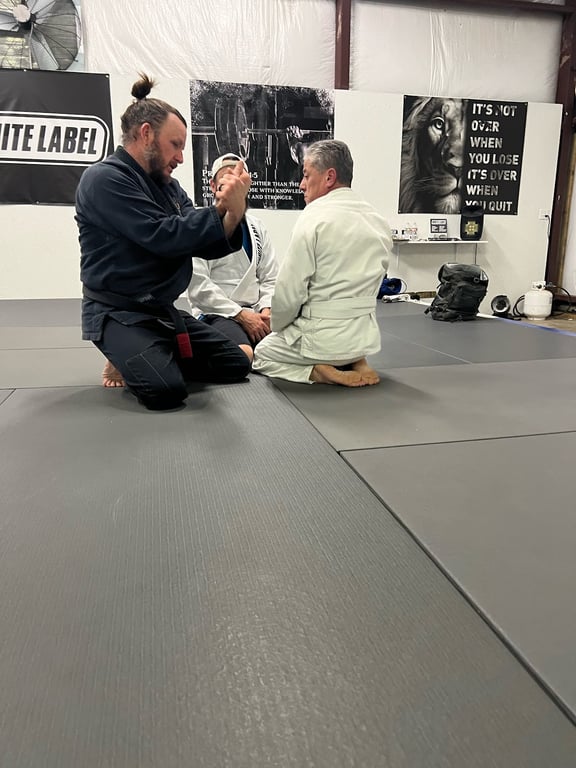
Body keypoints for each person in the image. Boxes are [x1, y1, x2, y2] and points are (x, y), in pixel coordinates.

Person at [76, 74, 252, 410]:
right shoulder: (104, 179)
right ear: (146, 134)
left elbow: (199, 239)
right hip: (118, 312)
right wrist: (220, 207)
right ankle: (124, 353)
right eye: (176, 145)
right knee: (165, 390)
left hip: (161, 312)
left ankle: (146, 352)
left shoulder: (169, 187)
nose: (181, 157)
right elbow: (162, 235)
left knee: (236, 364)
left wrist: (234, 210)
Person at [252, 139, 392, 387]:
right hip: (363, 339)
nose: (301, 184)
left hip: (322, 342)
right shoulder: (378, 220)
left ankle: (316, 372)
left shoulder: (313, 218)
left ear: (329, 177)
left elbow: (289, 291)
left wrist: (277, 324)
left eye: (306, 175)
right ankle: (356, 361)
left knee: (261, 355)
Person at [187, 153, 279, 362]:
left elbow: (270, 278)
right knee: (243, 355)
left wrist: (267, 310)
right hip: (217, 313)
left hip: (255, 313)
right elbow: (198, 286)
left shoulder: (257, 227)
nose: (233, 188)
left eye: (239, 183)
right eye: (225, 182)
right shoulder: (200, 226)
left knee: (299, 346)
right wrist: (240, 315)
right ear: (213, 186)